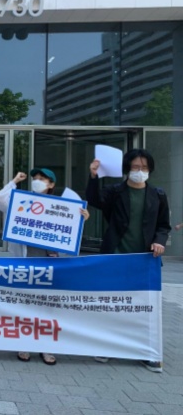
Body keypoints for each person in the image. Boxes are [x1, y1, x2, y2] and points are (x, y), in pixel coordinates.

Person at [0, 168, 90, 366]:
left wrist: (81, 219)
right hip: (27, 261)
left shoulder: (63, 206)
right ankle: (24, 344)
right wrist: (14, 181)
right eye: (35, 179)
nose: (37, 181)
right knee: (26, 305)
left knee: (48, 308)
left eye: (42, 179)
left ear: (51, 184)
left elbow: (70, 236)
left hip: (51, 264)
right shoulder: (23, 201)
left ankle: (47, 347)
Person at [87, 148, 171, 373]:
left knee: (144, 307)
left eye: (144, 168)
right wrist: (93, 176)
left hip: (145, 260)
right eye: (135, 167)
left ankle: (146, 352)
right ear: (127, 169)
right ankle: (107, 346)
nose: (139, 171)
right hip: (115, 256)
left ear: (150, 170)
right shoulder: (115, 191)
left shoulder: (158, 195)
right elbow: (94, 199)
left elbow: (163, 225)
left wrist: (159, 241)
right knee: (112, 304)